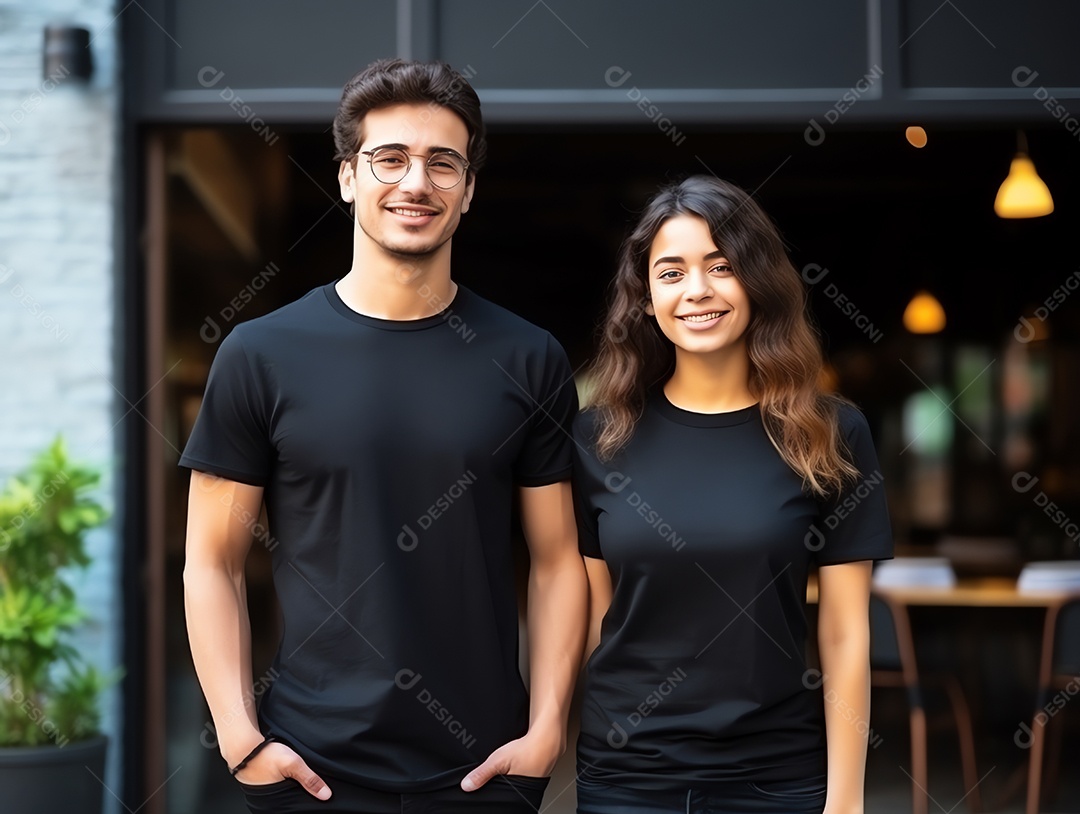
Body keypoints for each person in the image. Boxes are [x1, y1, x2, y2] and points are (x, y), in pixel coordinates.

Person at [180, 58, 587, 814]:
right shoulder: (260, 354)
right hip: (309, 772)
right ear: (347, 177)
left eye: (443, 162)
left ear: (468, 189)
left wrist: (547, 732)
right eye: (389, 158)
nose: (415, 183)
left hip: (485, 772)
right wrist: (241, 739)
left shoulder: (528, 357)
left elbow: (559, 561)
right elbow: (212, 562)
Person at [572, 175, 893, 814]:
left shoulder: (829, 433)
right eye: (671, 273)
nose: (697, 290)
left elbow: (844, 633)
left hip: (776, 777)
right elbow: (591, 619)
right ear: (645, 299)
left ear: (758, 280)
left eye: (721, 266)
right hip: (627, 779)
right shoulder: (596, 438)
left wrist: (847, 798)